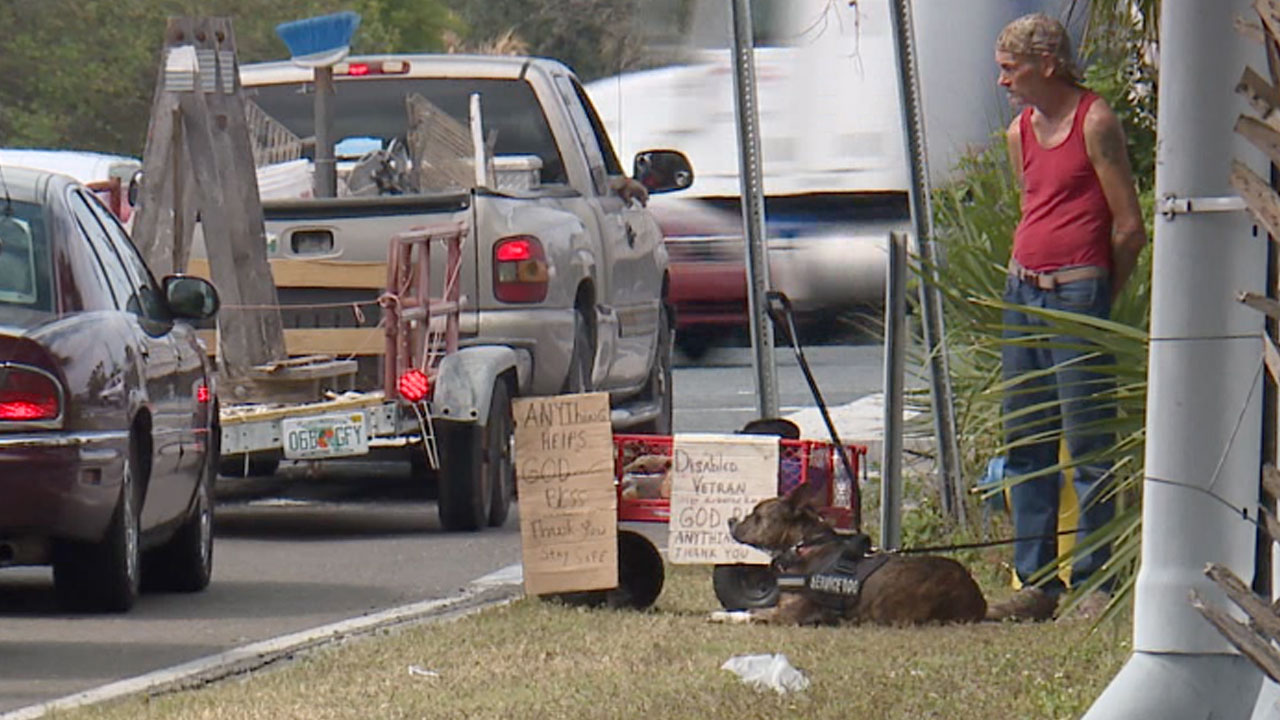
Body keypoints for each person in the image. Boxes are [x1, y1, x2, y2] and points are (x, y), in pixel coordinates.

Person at [992, 13, 1147, 620]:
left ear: (1048, 64)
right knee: (1026, 438)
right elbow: (1031, 204)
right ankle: (1036, 581)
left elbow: (1129, 226)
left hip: (1077, 290)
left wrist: (1100, 294)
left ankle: (1095, 580)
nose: (1003, 80)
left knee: (1088, 443)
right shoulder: (1020, 132)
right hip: (1023, 287)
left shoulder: (1095, 120)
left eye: (1012, 68)